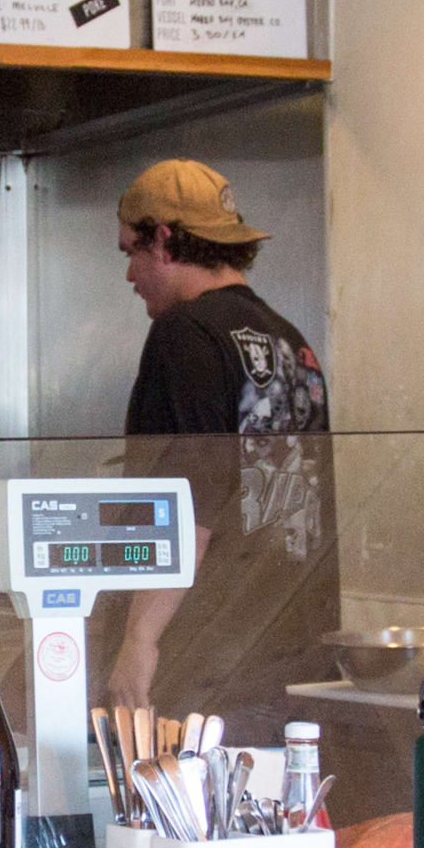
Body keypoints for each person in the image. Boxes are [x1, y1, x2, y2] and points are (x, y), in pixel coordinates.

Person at [105, 159, 332, 714]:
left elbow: (190, 500)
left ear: (163, 241)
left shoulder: (184, 332)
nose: (130, 276)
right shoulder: (289, 340)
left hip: (196, 650)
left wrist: (140, 640)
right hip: (284, 641)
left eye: (130, 252)